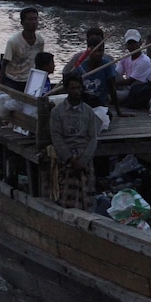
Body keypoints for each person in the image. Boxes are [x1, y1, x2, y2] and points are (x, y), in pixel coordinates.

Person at [49, 74, 100, 210]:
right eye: (72, 88)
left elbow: (93, 138)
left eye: (78, 88)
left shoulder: (88, 112)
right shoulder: (57, 112)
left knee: (87, 197)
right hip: (67, 158)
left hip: (84, 157)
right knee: (67, 197)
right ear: (66, 90)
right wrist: (71, 159)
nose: (76, 91)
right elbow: (57, 138)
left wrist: (83, 160)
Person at [0, 7, 45, 92]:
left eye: (35, 19)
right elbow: (4, 63)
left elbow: (40, 62)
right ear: (22, 22)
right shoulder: (14, 42)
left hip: (30, 79)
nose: (33, 22)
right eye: (30, 19)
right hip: (13, 80)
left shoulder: (40, 40)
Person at [115, 29, 151, 108]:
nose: (131, 46)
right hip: (127, 88)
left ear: (140, 43)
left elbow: (130, 81)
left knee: (111, 95)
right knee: (110, 70)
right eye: (129, 44)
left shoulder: (144, 61)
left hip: (137, 91)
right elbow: (117, 73)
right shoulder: (125, 59)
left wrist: (111, 84)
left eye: (134, 43)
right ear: (126, 45)